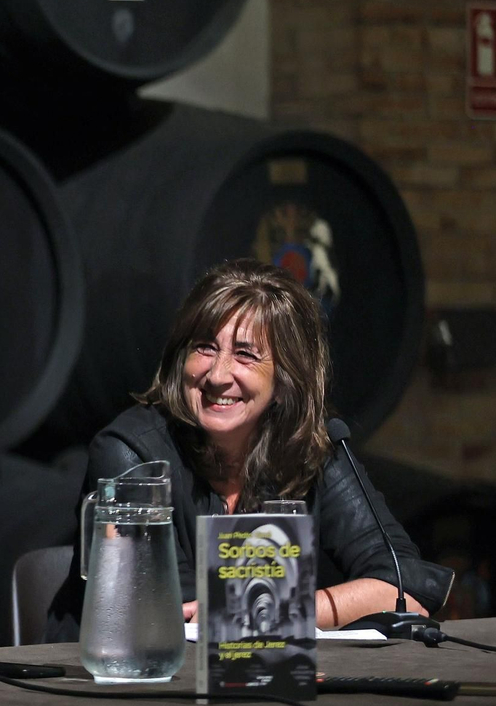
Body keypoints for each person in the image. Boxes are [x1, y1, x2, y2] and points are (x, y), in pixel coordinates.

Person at [45, 259, 451, 641]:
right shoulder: (129, 455)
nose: (219, 375)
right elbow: (186, 621)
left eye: (245, 355)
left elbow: (405, 586)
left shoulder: (313, 446)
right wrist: (290, 610)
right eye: (204, 347)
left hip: (260, 685)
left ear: (286, 377)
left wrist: (279, 612)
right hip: (123, 691)